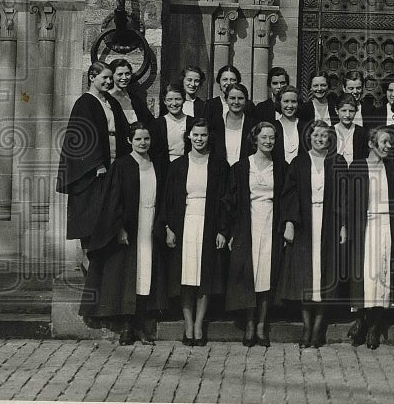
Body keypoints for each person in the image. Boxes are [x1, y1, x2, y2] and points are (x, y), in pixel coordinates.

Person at [79, 123, 168, 345]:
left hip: (150, 223)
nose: (143, 143)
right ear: (129, 141)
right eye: (138, 139)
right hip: (129, 226)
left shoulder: (157, 163)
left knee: (146, 274)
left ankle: (142, 325)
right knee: (130, 274)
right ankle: (127, 327)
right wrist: (119, 228)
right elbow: (112, 200)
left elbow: (164, 195)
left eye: (146, 139)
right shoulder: (122, 165)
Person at [278, 121, 347, 348]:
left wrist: (342, 225)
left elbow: (343, 196)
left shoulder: (337, 161)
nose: (320, 139)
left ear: (330, 139)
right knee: (306, 277)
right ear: (309, 137)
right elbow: (290, 194)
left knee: (325, 275)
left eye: (324, 136)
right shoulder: (298, 162)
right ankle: (306, 328)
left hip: (329, 222)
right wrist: (289, 222)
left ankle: (318, 329)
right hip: (304, 224)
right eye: (315, 135)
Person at [56, 61, 130, 264]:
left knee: (113, 211)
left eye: (109, 77)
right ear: (92, 77)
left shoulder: (110, 102)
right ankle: (89, 263)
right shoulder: (85, 103)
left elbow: (124, 130)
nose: (108, 81)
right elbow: (80, 138)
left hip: (114, 164)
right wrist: (96, 164)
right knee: (92, 215)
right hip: (94, 171)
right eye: (104, 77)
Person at [220, 122, 286, 346]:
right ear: (255, 139)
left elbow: (286, 198)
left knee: (267, 274)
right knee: (249, 273)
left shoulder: (280, 166)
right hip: (247, 225)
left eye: (272, 138)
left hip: (271, 225)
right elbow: (231, 202)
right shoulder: (241, 167)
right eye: (264, 137)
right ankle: (249, 323)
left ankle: (261, 325)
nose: (268, 142)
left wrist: (286, 225)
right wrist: (231, 232)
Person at [161, 119, 226, 346]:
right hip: (185, 223)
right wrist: (169, 228)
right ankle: (187, 324)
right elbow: (168, 200)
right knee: (186, 276)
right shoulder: (178, 166)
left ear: (209, 137)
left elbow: (226, 200)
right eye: (195, 135)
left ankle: (199, 324)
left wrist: (222, 230)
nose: (199, 139)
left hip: (209, 225)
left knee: (204, 275)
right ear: (189, 136)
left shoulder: (219, 165)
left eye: (204, 135)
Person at [345, 127, 394, 349]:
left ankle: (374, 327)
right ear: (371, 144)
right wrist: (345, 227)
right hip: (363, 226)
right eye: (384, 142)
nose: (388, 146)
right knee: (363, 276)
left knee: (381, 276)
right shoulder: (357, 167)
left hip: (386, 225)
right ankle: (361, 320)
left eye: (390, 143)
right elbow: (347, 200)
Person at [149, 83, 194, 171]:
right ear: (165, 101)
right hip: (164, 169)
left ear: (184, 100)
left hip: (187, 168)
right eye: (169, 100)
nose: (174, 103)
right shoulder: (157, 124)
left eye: (178, 99)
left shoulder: (192, 123)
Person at [211, 83, 258, 167]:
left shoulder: (253, 124)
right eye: (232, 98)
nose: (236, 102)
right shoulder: (216, 123)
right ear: (226, 100)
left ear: (246, 100)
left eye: (240, 98)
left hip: (244, 172)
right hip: (220, 173)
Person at [107, 58, 155, 127]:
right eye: (120, 74)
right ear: (112, 75)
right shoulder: (106, 98)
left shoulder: (135, 99)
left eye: (127, 74)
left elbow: (150, 121)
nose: (124, 77)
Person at [333, 93, 369, 163]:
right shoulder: (329, 132)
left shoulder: (362, 133)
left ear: (356, 111)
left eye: (351, 111)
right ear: (337, 110)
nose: (347, 115)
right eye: (344, 111)